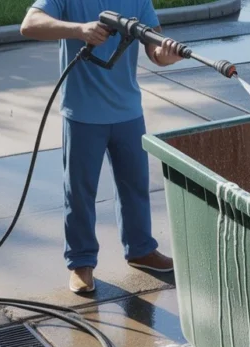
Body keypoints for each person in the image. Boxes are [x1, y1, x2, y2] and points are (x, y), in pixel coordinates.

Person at [20, 0, 182, 294]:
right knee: (80, 192)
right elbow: (29, 24)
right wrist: (79, 30)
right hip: (83, 114)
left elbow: (155, 49)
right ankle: (81, 262)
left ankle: (141, 250)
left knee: (135, 186)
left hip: (128, 112)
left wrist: (166, 55)